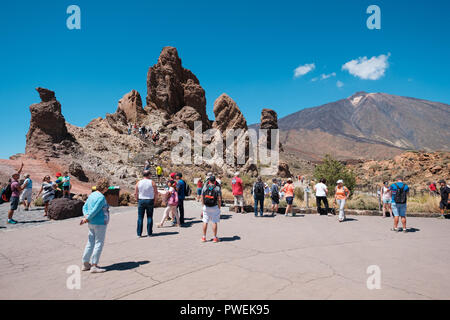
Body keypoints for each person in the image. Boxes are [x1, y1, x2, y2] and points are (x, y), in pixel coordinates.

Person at [79, 178, 110, 273]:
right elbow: (95, 210)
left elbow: (85, 207)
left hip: (91, 222)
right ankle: (94, 265)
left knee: (90, 242)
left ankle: (85, 263)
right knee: (99, 243)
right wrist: (87, 218)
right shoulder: (101, 197)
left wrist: (86, 216)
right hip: (100, 222)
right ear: (104, 188)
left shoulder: (92, 195)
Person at [135, 170, 158, 237]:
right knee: (149, 217)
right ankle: (149, 233)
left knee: (140, 217)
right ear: (149, 175)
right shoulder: (152, 182)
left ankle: (139, 233)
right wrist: (155, 200)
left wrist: (137, 199)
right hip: (150, 200)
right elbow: (156, 192)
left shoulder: (139, 182)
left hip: (141, 200)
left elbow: (136, 193)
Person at [201, 175, 222, 243]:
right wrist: (219, 207)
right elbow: (219, 199)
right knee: (214, 222)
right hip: (214, 206)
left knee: (205, 221)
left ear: (209, 181)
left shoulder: (204, 187)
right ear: (215, 181)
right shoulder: (217, 188)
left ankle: (204, 237)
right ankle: (215, 238)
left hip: (206, 206)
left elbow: (202, 197)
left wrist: (203, 205)